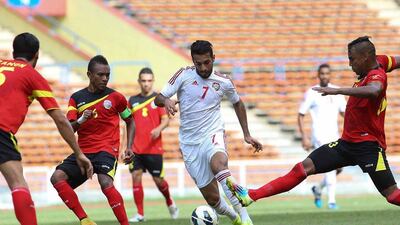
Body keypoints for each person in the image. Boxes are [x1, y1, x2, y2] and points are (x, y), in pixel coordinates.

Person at [227, 36, 400, 209]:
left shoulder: (377, 75)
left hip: (368, 147)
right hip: (347, 144)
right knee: (303, 168)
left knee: (392, 195)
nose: (349, 64)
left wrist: (338, 90)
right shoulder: (380, 61)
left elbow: (375, 90)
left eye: (352, 59)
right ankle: (251, 195)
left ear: (365, 57)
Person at [154, 40, 263, 225]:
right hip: (189, 144)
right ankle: (234, 218)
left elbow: (238, 102)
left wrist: (246, 134)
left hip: (213, 133)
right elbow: (158, 97)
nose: (203, 68)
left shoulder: (224, 81)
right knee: (213, 200)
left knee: (219, 165)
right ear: (192, 61)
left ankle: (245, 218)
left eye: (207, 62)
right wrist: (166, 102)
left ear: (213, 58)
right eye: (198, 63)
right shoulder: (183, 75)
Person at [0, 32, 93, 225]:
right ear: (36, 56)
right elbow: (59, 119)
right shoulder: (32, 75)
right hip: (1, 131)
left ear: (13, 51)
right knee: (18, 184)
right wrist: (78, 153)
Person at [50, 55, 135, 225]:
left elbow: (130, 120)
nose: (105, 79)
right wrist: (81, 120)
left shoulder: (116, 98)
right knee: (57, 177)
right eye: (100, 75)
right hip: (83, 152)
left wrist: (130, 147)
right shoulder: (76, 98)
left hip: (107, 149)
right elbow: (70, 128)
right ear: (89, 74)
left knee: (105, 181)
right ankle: (85, 220)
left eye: (107, 75)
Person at [128, 67, 178, 222]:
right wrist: (126, 147)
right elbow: (128, 124)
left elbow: (166, 120)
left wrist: (158, 128)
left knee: (159, 181)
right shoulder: (132, 101)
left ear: (153, 81)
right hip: (136, 148)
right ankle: (140, 214)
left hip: (154, 149)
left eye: (149, 80)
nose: (146, 84)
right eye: (143, 80)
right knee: (136, 176)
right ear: (139, 81)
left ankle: (170, 201)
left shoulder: (158, 99)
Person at [298, 63, 346, 209]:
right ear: (318, 75)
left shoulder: (337, 91)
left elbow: (345, 114)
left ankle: (318, 189)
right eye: (322, 73)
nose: (325, 76)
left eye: (327, 73)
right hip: (319, 135)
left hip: (334, 135)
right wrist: (304, 137)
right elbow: (301, 114)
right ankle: (332, 202)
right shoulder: (312, 92)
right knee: (331, 167)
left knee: (338, 168)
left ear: (330, 74)